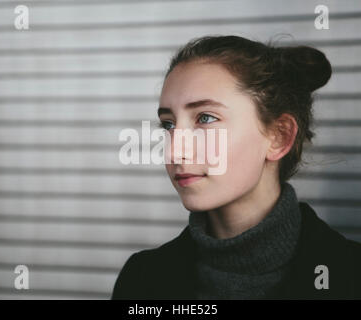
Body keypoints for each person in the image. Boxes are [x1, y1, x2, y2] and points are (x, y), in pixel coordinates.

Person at [112, 35, 361, 300]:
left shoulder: (350, 276)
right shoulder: (143, 280)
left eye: (205, 118)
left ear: (279, 136)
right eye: (169, 125)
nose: (175, 151)